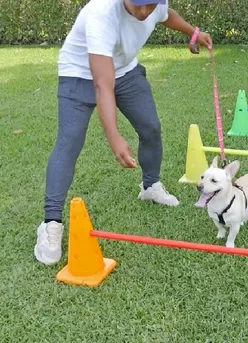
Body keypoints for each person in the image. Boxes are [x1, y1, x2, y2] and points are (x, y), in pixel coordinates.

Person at [34, 0, 213, 265]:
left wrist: (192, 32)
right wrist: (114, 137)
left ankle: (150, 186)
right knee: (69, 141)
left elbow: (166, 15)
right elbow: (102, 85)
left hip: (125, 72)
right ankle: (50, 223)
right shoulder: (101, 14)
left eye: (149, 5)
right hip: (79, 73)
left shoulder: (155, 6)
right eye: (137, 5)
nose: (143, 13)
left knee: (150, 126)